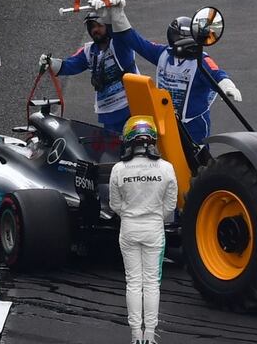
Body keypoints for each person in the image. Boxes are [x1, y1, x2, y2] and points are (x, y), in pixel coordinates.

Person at [109, 116, 178, 344]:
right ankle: (149, 335)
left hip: (128, 228)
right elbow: (171, 204)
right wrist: (156, 216)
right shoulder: (167, 168)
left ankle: (134, 335)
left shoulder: (119, 169)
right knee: (151, 283)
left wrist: (129, 214)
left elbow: (114, 204)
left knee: (133, 281)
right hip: (154, 229)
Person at [128, 16, 242, 144]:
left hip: (194, 124)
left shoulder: (201, 60)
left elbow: (217, 74)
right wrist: (117, 16)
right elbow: (137, 42)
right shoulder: (163, 54)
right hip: (167, 121)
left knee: (199, 160)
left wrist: (228, 86)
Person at [39, 0, 140, 134]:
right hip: (107, 112)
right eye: (91, 26)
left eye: (99, 25)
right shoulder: (89, 51)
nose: (95, 30)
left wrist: (113, 14)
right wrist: (50, 63)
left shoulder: (120, 44)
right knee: (113, 152)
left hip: (131, 107)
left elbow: (121, 32)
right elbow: (70, 65)